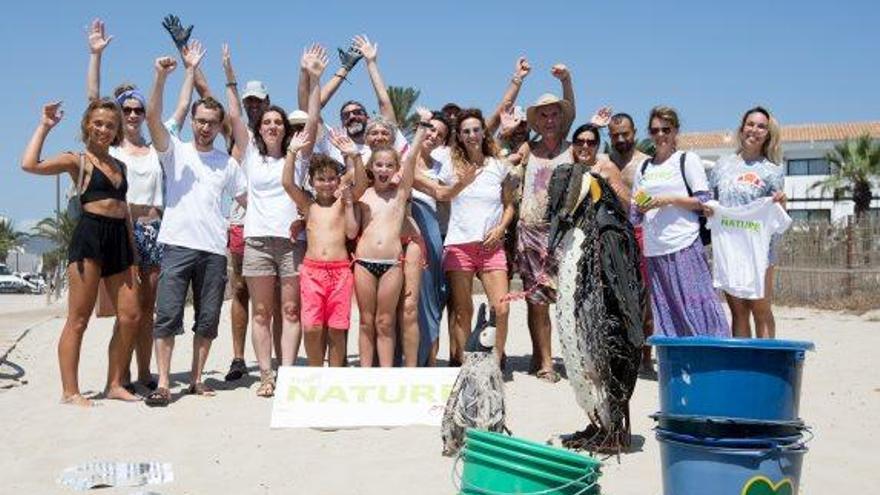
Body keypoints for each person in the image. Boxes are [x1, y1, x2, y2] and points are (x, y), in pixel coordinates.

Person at [85, 18, 197, 393]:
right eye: (127, 111)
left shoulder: (157, 148)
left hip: (156, 231)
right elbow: (92, 100)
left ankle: (145, 373)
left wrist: (187, 68)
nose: (133, 115)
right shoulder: (111, 148)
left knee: (149, 310)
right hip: (123, 232)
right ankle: (118, 377)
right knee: (126, 312)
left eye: (137, 110)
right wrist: (95, 55)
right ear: (118, 116)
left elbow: (181, 107)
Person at [22, 98, 141, 406]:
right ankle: (70, 391)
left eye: (110, 125)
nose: (103, 129)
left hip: (119, 241)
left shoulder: (121, 166)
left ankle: (114, 383)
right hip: (90, 236)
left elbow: (124, 210)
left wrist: (133, 251)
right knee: (78, 319)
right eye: (98, 123)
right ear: (88, 124)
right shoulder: (78, 160)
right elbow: (29, 164)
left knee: (130, 316)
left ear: (117, 131)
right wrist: (44, 126)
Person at [144, 47, 246, 406]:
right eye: (200, 121)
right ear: (192, 121)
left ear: (220, 127)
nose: (205, 127)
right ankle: (164, 383)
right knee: (168, 315)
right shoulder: (174, 151)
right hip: (177, 244)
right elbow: (153, 116)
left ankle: (198, 379)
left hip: (214, 249)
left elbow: (248, 202)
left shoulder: (228, 164)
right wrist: (162, 78)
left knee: (207, 319)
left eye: (212, 123)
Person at [225, 45, 319, 395]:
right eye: (267, 122)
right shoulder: (251, 154)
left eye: (278, 122)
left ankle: (289, 374)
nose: (273, 126)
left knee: (291, 311)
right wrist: (229, 75)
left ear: (285, 129)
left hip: (291, 244)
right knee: (261, 313)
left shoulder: (299, 156)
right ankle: (267, 375)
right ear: (260, 126)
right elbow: (234, 115)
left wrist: (314, 76)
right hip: (258, 243)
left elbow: (313, 114)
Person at [630, 106, 730, 338]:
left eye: (666, 129)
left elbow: (704, 200)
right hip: (655, 249)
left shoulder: (687, 160)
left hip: (684, 243)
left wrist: (669, 200)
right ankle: (680, 365)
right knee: (667, 310)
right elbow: (635, 213)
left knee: (697, 306)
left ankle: (709, 359)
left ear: (675, 131)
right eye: (655, 130)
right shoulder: (644, 168)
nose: (660, 135)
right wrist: (642, 208)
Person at [511, 79, 576, 383]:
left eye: (555, 115)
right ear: (537, 120)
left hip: (564, 233)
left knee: (567, 300)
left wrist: (566, 80)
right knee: (536, 303)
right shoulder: (528, 151)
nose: (550, 120)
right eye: (544, 116)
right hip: (531, 233)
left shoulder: (573, 150)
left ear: (562, 118)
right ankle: (546, 363)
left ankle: (572, 359)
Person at [353, 110, 428, 367]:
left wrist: (421, 128)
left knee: (385, 321)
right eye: (379, 165)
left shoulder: (400, 194)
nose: (384, 169)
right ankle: (365, 373)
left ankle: (386, 374)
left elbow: (411, 159)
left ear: (396, 169)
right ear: (371, 168)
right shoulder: (362, 194)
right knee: (365, 321)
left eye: (389, 165)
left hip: (392, 264)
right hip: (363, 262)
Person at [440, 109, 515, 366]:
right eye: (466, 131)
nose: (472, 135)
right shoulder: (451, 165)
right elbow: (442, 193)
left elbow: (509, 206)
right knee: (463, 311)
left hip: (491, 246)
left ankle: (495, 361)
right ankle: (466, 365)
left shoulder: (498, 166)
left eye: (475, 129)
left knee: (501, 308)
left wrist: (501, 228)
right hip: (459, 246)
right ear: (459, 136)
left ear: (484, 132)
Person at [706, 106, 786, 338]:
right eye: (750, 124)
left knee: (760, 309)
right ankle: (743, 364)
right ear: (742, 129)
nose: (755, 130)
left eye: (761, 126)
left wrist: (781, 201)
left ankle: (767, 362)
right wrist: (708, 210)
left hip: (759, 249)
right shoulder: (722, 164)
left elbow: (779, 215)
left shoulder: (773, 170)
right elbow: (712, 202)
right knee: (738, 311)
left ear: (768, 134)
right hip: (730, 248)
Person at [606, 112, 654, 370]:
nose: (621, 138)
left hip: (641, 232)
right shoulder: (606, 161)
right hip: (613, 233)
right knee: (616, 295)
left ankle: (646, 355)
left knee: (644, 297)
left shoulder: (646, 163)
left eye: (625, 133)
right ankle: (622, 351)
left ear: (635, 132)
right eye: (615, 135)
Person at [571, 124, 630, 205]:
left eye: (591, 143)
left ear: (597, 146)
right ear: (573, 145)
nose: (585, 146)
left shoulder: (607, 168)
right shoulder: (568, 169)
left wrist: (618, 196)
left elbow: (627, 203)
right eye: (580, 142)